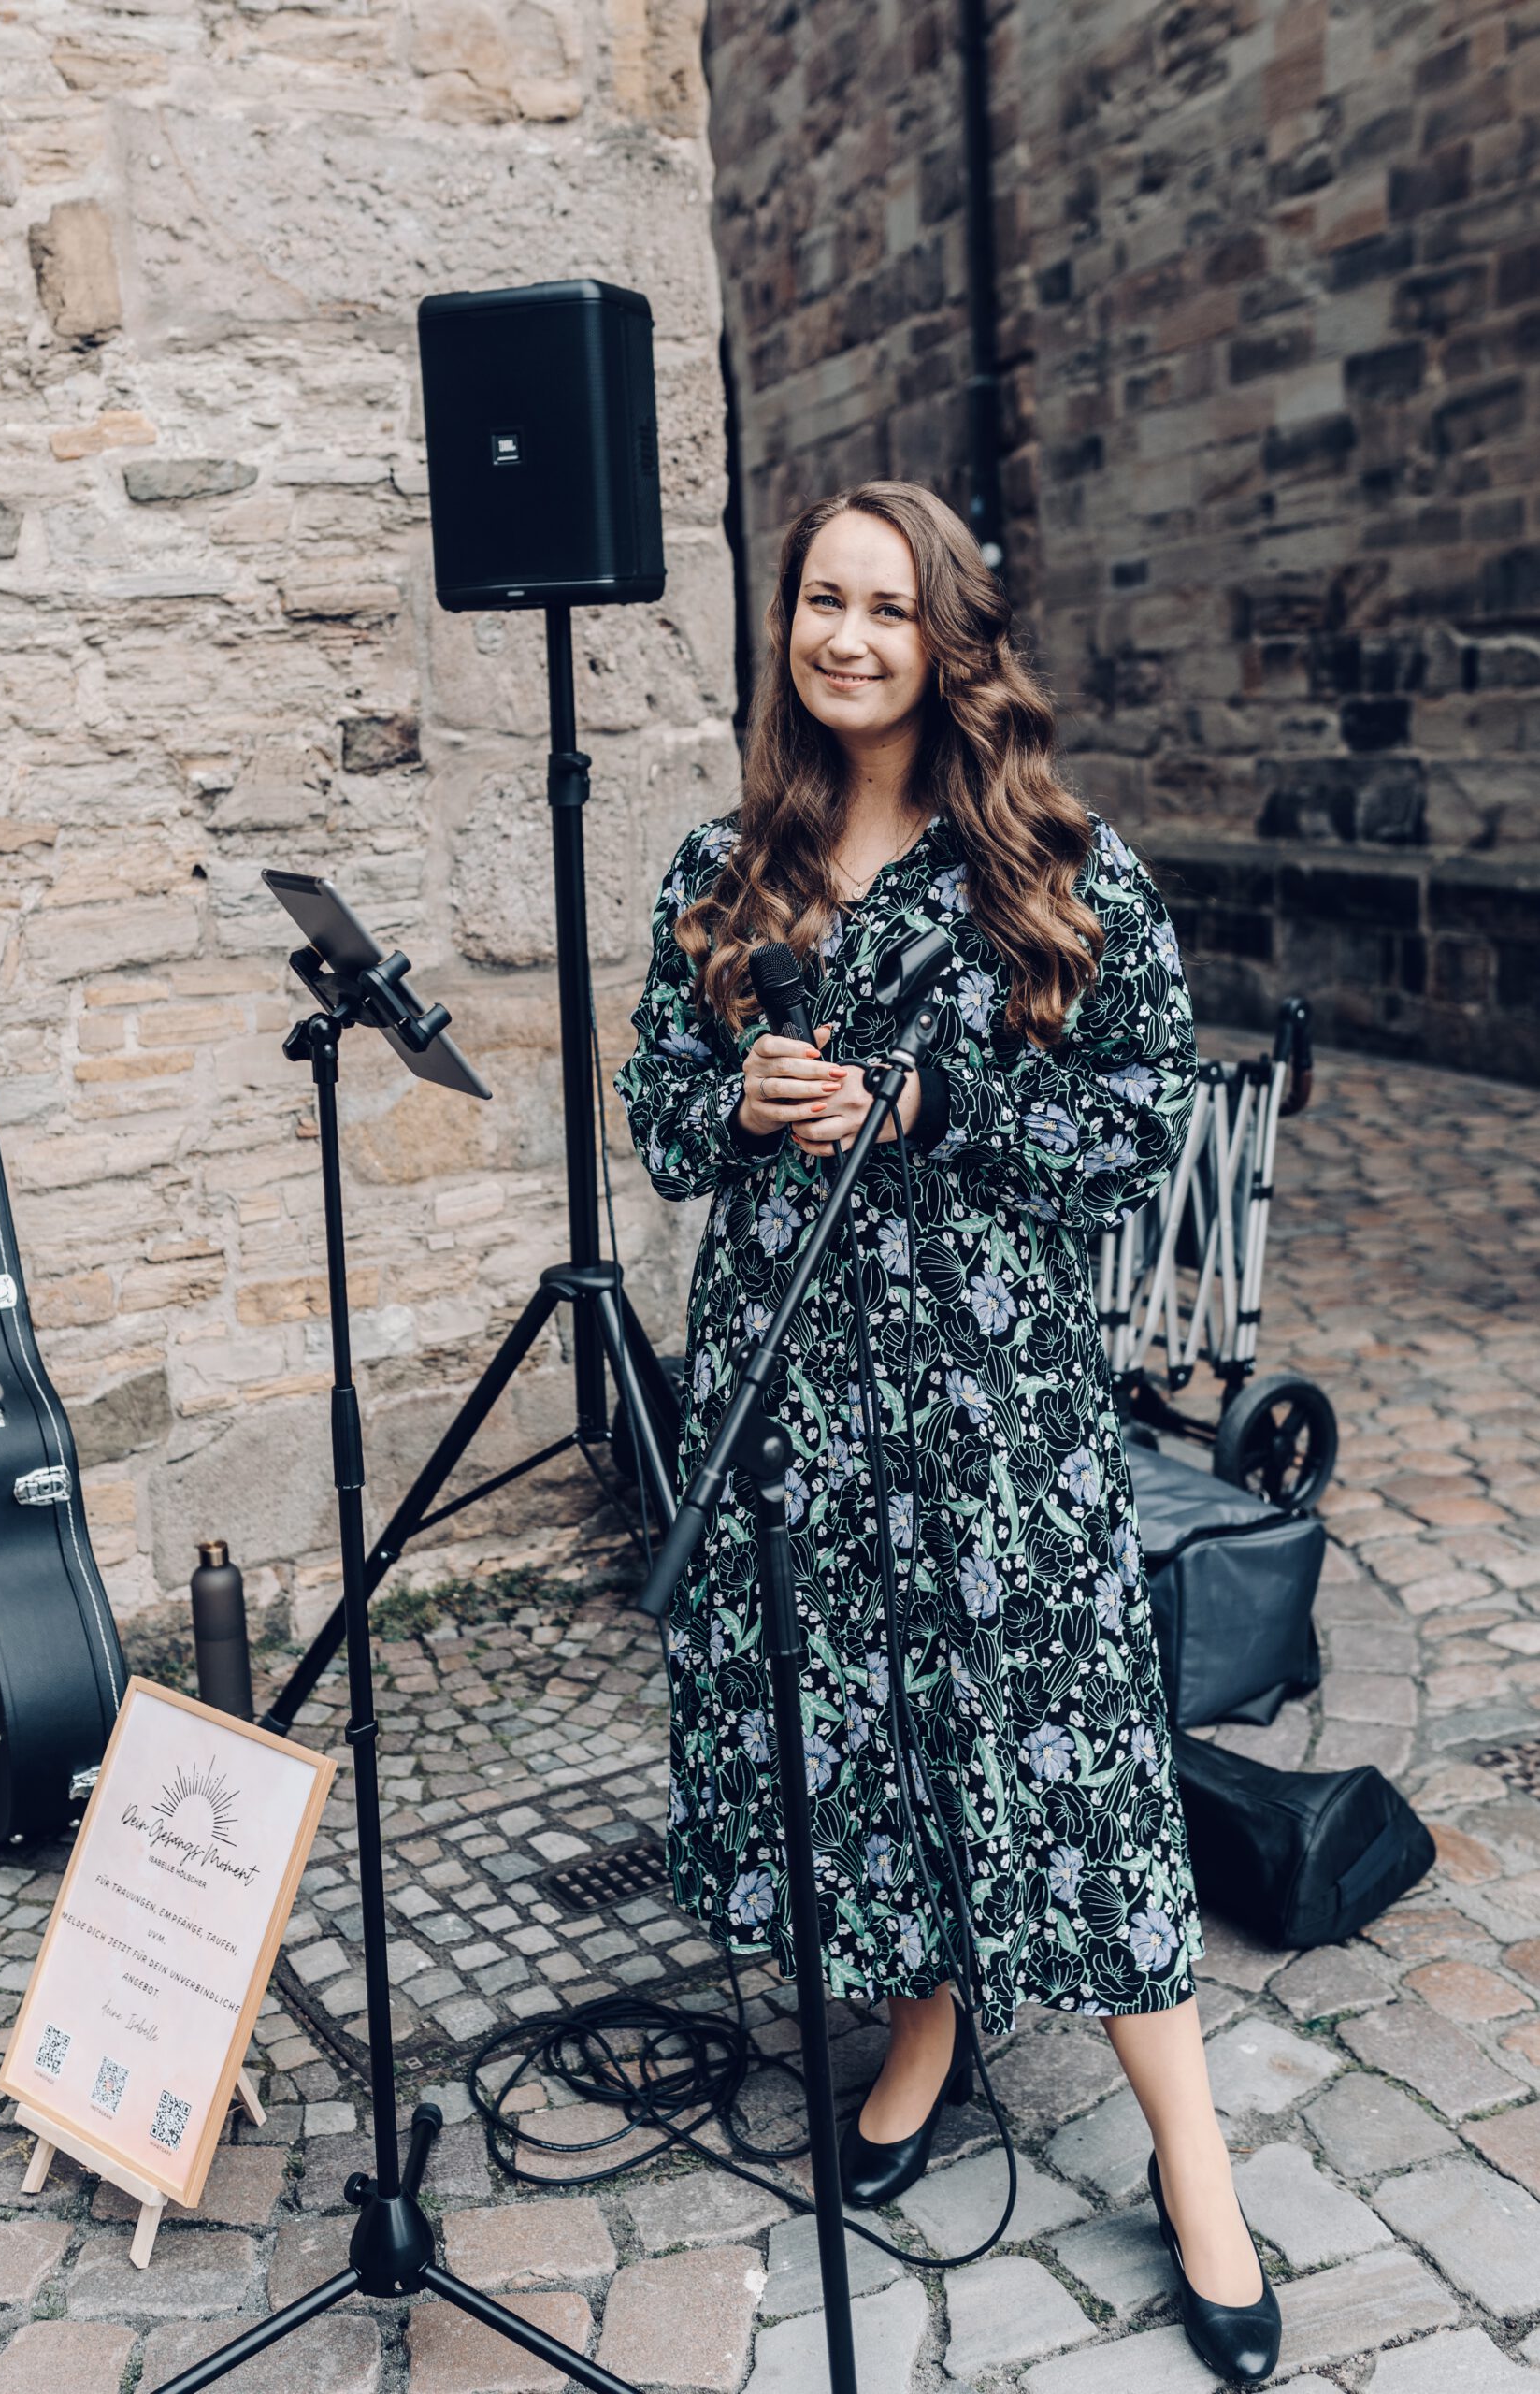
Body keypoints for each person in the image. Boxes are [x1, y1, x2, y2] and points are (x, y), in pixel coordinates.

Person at [614, 481, 1280, 2382]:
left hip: (985, 1418)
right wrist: (741, 1097)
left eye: (883, 609)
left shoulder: (1042, 856)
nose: (842, 637)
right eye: (817, 602)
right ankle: (921, 2028)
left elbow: (1140, 1111)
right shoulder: (721, 861)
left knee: (1065, 1757)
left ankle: (1193, 2158)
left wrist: (923, 1110)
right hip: (787, 1417)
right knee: (860, 1742)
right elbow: (655, 1124)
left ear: (944, 636)